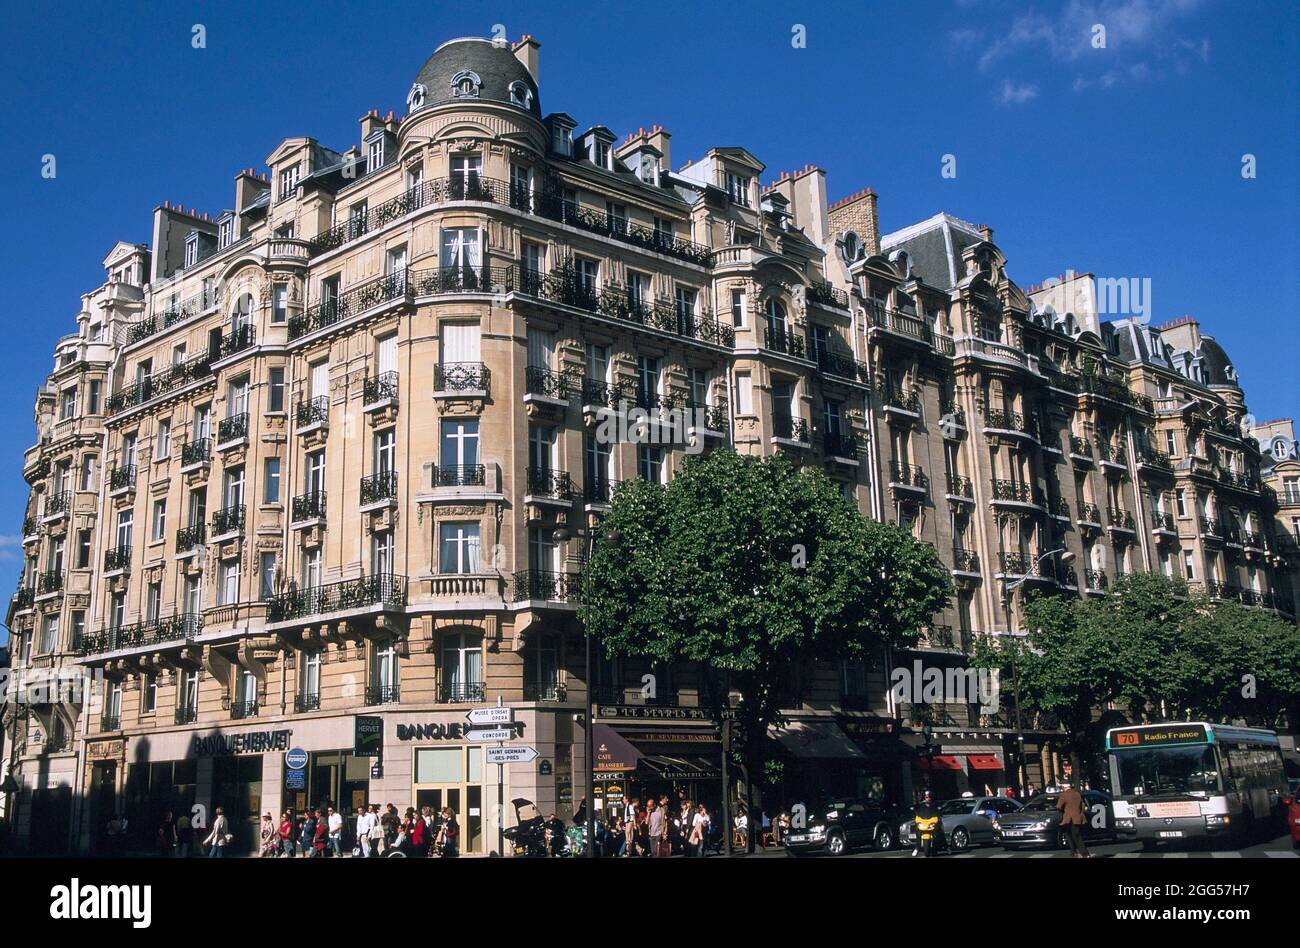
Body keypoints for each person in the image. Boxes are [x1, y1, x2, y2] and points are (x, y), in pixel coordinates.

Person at [1055, 780, 1091, 858]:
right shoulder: (1077, 794)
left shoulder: (1064, 795)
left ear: (1063, 787)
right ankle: (1074, 852)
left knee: (1071, 836)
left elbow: (1059, 806)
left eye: (1061, 787)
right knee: (1075, 835)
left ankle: (1083, 853)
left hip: (1068, 819)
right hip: (1078, 817)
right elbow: (1082, 806)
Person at [913, 791, 941, 858]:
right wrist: (917, 816)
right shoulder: (921, 805)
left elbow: (937, 812)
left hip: (931, 822)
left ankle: (945, 846)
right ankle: (917, 848)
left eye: (928, 797)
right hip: (924, 822)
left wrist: (937, 816)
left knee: (938, 831)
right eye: (926, 797)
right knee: (918, 832)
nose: (927, 798)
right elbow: (918, 812)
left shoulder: (934, 805)